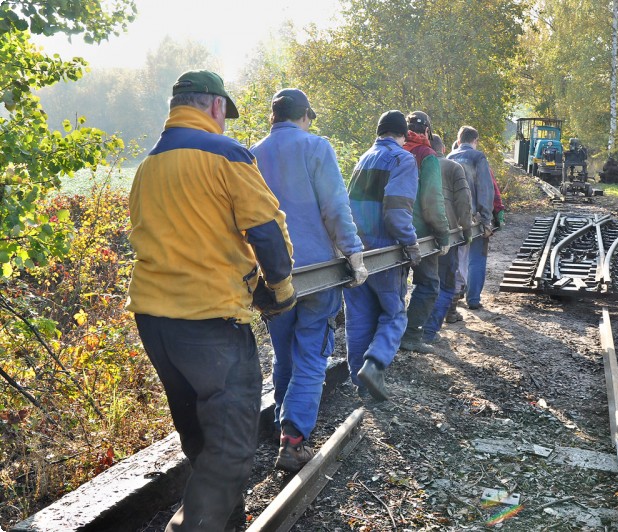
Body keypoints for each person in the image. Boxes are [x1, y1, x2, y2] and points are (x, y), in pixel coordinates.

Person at [126, 70, 295, 532]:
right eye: (225, 114)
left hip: (154, 320)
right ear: (216, 106)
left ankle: (226, 521)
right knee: (233, 444)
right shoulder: (226, 153)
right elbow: (266, 232)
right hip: (211, 321)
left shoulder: (148, 165)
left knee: (199, 432)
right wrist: (278, 290)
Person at [250, 88, 367, 473]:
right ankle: (294, 437)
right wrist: (352, 251)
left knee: (284, 354)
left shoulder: (251, 154)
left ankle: (283, 427)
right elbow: (334, 205)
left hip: (270, 273)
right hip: (316, 273)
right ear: (304, 116)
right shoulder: (316, 147)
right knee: (313, 351)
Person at [345, 110, 420, 401]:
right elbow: (397, 210)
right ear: (403, 135)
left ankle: (360, 384)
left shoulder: (363, 159)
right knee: (394, 315)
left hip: (355, 252)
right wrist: (410, 243)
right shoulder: (402, 159)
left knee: (359, 318)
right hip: (385, 252)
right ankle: (375, 365)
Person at [399, 111, 450, 354]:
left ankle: (390, 334)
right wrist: (442, 235)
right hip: (419, 233)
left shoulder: (393, 151)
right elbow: (433, 202)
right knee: (428, 284)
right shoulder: (426, 156)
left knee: (396, 286)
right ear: (428, 131)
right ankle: (411, 335)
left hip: (389, 230)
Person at [421, 134, 472, 343]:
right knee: (446, 284)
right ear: (442, 148)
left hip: (420, 235)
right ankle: (430, 331)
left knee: (423, 285)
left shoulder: (417, 163)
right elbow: (463, 201)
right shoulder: (453, 168)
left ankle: (419, 326)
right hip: (446, 233)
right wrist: (467, 230)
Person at [447, 126, 495, 310]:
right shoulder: (478, 157)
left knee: (456, 258)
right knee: (477, 257)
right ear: (474, 141)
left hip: (453, 219)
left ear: (458, 141)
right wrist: (486, 218)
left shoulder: (448, 158)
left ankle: (453, 298)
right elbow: (484, 188)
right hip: (474, 218)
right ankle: (473, 299)